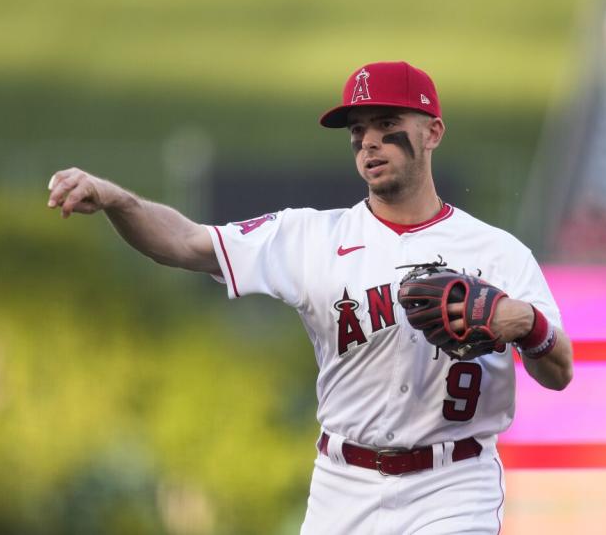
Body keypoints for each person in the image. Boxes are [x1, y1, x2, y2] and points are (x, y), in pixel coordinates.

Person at [46, 61, 574, 534]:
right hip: (343, 487)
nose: (369, 142)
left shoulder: (497, 252)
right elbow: (184, 243)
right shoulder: (310, 237)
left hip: (454, 486)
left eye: (388, 126)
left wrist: (528, 325)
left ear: (432, 131)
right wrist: (116, 198)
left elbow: (559, 369)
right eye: (358, 130)